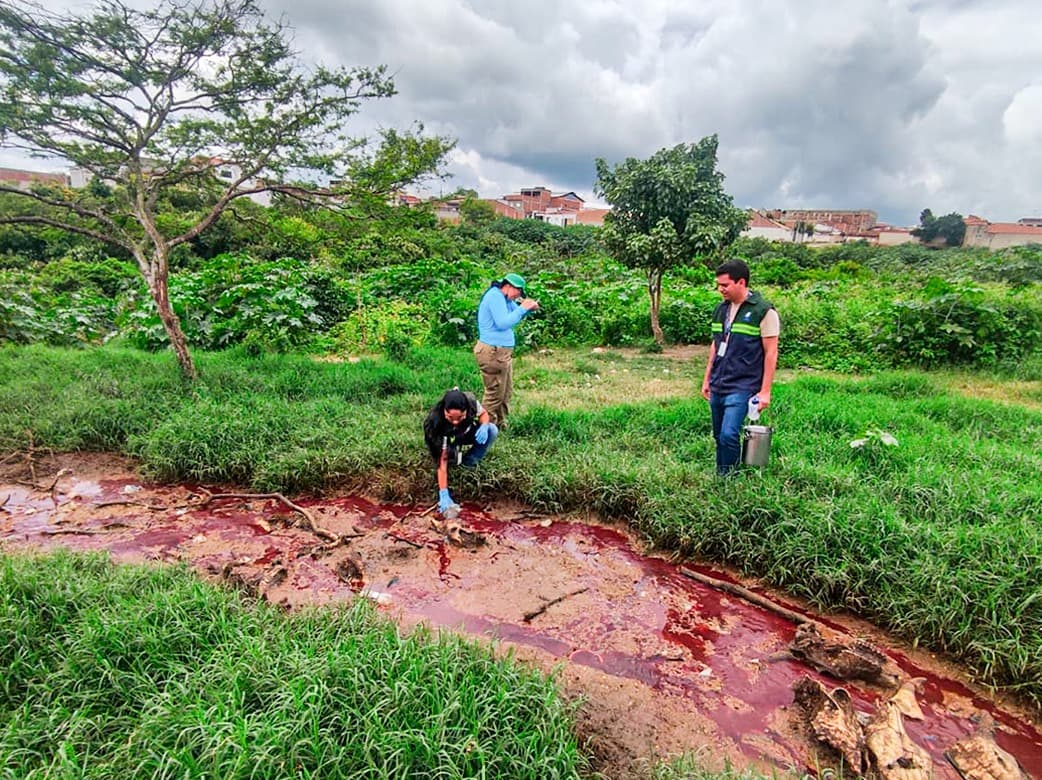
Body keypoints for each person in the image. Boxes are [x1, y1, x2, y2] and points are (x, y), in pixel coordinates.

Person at [701, 258, 780, 476]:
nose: (720, 289)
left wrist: (765, 391)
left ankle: (730, 479)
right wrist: (707, 378)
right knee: (719, 435)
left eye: (725, 285)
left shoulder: (763, 311)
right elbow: (716, 345)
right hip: (719, 381)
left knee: (729, 434)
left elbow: (771, 352)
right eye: (718, 285)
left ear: (741, 282)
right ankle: (722, 475)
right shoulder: (720, 309)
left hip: (743, 384)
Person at [473, 272, 539, 426]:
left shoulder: (505, 299)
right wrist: (522, 308)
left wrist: (528, 308)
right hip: (492, 352)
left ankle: (500, 424)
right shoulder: (495, 296)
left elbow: (515, 314)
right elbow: (503, 323)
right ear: (509, 286)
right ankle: (485, 428)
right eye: (518, 292)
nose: (518, 296)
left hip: (501, 353)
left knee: (505, 391)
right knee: (495, 393)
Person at [423, 387, 499, 515]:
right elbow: (443, 461)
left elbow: (483, 414)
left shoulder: (471, 403)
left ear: (466, 410)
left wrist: (484, 426)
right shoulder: (436, 422)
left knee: (492, 430)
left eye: (460, 417)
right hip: (445, 437)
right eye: (450, 417)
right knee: (448, 458)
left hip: (464, 432)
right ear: (444, 411)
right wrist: (443, 493)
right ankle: (454, 460)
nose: (455, 422)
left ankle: (469, 463)